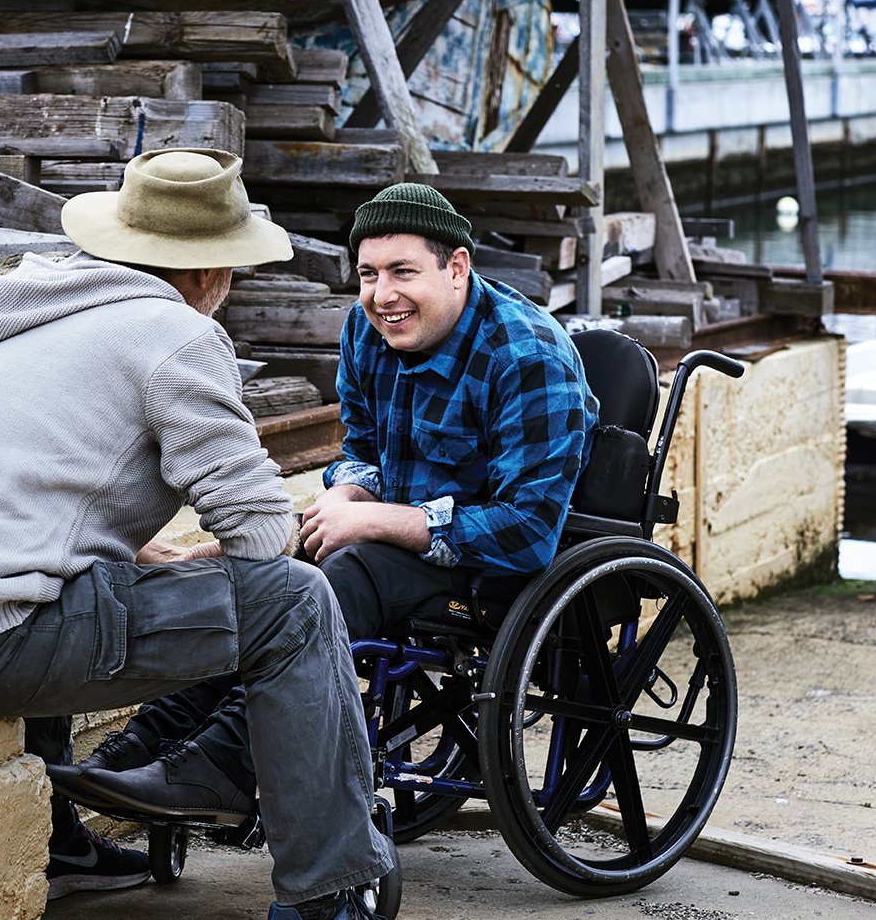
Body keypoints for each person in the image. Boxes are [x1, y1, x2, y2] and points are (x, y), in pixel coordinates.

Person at [0, 148, 395, 920]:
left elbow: (21, 497)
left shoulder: (15, 312)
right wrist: (223, 548)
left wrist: (135, 547)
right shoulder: (176, 334)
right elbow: (258, 534)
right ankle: (329, 892)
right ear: (209, 271)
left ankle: (60, 846)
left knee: (78, 578)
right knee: (299, 602)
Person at [60, 181, 596, 832]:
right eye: (368, 274)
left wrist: (376, 520)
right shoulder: (372, 331)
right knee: (267, 574)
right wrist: (349, 489)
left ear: (457, 267)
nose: (381, 294)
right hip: (399, 548)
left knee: (329, 577)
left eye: (403, 271)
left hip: (500, 569)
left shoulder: (527, 358)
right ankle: (143, 749)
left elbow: (529, 530)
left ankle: (223, 765)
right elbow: (363, 446)